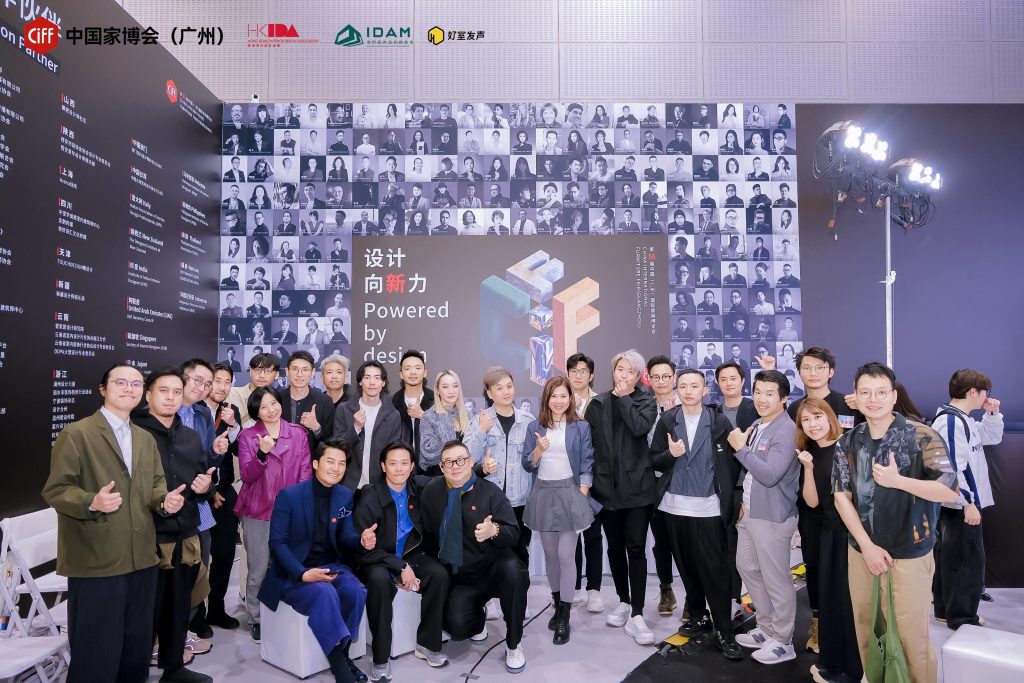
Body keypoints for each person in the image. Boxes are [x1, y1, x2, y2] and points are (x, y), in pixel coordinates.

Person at [42, 364, 188, 683]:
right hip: (98, 559)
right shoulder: (77, 434)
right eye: (120, 382)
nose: (128, 389)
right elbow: (56, 490)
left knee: (135, 651)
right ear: (103, 389)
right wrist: (91, 501)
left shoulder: (143, 438)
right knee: (96, 652)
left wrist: (164, 501)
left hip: (143, 558)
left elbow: (155, 486)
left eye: (136, 384)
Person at [833, 362, 958, 683]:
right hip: (862, 552)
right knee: (866, 628)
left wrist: (898, 481)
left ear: (893, 396)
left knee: (910, 636)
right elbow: (841, 497)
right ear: (855, 396)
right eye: (865, 393)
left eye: (881, 392)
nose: (873, 399)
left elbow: (949, 489)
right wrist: (867, 547)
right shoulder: (847, 442)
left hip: (910, 551)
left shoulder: (921, 435)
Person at [649, 368, 745, 660]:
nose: (688, 391)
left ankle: (725, 630)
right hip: (674, 506)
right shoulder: (668, 420)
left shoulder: (718, 422)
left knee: (714, 571)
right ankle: (700, 616)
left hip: (708, 509)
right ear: (677, 390)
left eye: (694, 386)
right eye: (683, 386)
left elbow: (733, 463)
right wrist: (671, 454)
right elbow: (654, 459)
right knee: (687, 567)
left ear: (705, 390)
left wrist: (730, 496)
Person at [130, 368, 216, 683]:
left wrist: (206, 487)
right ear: (148, 394)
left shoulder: (190, 435)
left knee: (178, 607)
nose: (170, 397)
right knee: (143, 612)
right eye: (163, 391)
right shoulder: (133, 433)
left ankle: (173, 667)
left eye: (176, 392)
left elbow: (202, 477)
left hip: (185, 533)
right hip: (147, 536)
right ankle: (134, 671)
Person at [259, 438, 367, 683]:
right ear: (316, 463)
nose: (336, 468)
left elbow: (346, 535)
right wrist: (302, 573)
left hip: (330, 567)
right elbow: (277, 543)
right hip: (293, 573)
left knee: (356, 590)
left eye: (341, 463)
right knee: (324, 593)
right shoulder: (289, 495)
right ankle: (340, 667)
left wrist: (361, 540)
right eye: (330, 461)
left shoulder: (344, 495)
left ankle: (343, 653)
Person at [420, 441, 529, 672]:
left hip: (495, 568)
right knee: (457, 627)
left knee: (514, 572)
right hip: (463, 576)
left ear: (470, 462)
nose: (455, 466)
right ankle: (479, 615)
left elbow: (514, 533)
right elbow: (428, 535)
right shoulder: (432, 492)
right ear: (441, 467)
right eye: (449, 462)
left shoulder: (490, 492)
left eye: (461, 460)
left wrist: (494, 530)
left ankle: (514, 643)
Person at [355, 442, 451, 680]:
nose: (399, 469)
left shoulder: (418, 488)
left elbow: (450, 477)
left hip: (410, 553)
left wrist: (481, 470)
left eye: (404, 463)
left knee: (438, 574)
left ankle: (427, 644)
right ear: (383, 466)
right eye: (393, 463)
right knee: (379, 581)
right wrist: (400, 567)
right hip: (378, 558)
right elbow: (363, 548)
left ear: (412, 466)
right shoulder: (370, 496)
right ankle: (380, 658)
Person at [584, 350, 658, 645]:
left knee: (636, 548)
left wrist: (625, 397)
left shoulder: (645, 400)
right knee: (614, 548)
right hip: (605, 490)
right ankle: (624, 601)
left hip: (638, 491)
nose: (624, 375)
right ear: (613, 370)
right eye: (620, 369)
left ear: (638, 376)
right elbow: (588, 446)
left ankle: (638, 614)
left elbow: (639, 428)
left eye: (630, 371)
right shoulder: (598, 403)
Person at [727, 369, 800, 664]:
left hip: (773, 516)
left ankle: (783, 640)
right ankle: (766, 627)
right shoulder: (759, 423)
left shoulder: (787, 430)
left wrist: (740, 449)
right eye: (758, 392)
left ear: (784, 398)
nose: (761, 399)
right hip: (751, 511)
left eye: (770, 394)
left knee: (776, 578)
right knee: (747, 567)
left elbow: (770, 475)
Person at [521, 377, 596, 644]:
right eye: (554, 396)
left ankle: (565, 616)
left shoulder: (581, 426)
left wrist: (582, 495)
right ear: (546, 398)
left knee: (566, 555)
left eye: (563, 395)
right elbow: (527, 464)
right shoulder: (534, 426)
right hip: (543, 493)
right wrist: (538, 450)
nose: (559, 401)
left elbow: (587, 462)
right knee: (551, 556)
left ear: (570, 398)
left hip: (570, 492)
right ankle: (557, 604)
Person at [235, 386, 313, 641]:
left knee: (286, 565)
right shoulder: (248, 436)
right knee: (258, 568)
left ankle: (281, 613)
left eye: (274, 403)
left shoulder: (297, 433)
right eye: (263, 406)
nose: (271, 410)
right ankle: (257, 618)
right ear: (256, 412)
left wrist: (299, 507)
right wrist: (262, 452)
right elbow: (247, 475)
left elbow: (305, 473)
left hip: (290, 512)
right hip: (258, 510)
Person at [795, 399, 864, 683]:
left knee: (849, 602)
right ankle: (834, 663)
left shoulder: (849, 446)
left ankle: (856, 667)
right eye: (806, 420)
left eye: (817, 417)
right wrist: (808, 468)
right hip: (827, 534)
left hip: (851, 535)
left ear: (830, 417)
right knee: (830, 600)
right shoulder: (810, 454)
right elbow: (811, 502)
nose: (813, 424)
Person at [931, 369, 1004, 631]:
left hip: (960, 503)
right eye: (985, 392)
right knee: (967, 561)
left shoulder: (962, 419)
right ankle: (962, 617)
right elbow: (952, 468)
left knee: (953, 559)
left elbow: (991, 438)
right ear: (973, 392)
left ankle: (947, 611)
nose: (987, 397)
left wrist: (992, 414)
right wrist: (968, 503)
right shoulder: (950, 421)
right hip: (960, 505)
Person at [464, 367, 535, 567]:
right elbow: (466, 457)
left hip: (521, 501)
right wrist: (481, 431)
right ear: (489, 393)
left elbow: (534, 462)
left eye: (509, 386)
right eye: (499, 388)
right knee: (490, 555)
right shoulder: (479, 420)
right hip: (490, 501)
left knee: (520, 552)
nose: (506, 392)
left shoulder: (528, 421)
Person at [643, 356, 681, 618]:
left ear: (674, 377)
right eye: (655, 377)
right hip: (653, 482)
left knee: (685, 542)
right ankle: (666, 588)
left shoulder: (687, 402)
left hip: (681, 481)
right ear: (649, 379)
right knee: (661, 541)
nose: (661, 381)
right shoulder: (644, 406)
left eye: (666, 376)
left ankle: (694, 596)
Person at [333, 361, 403, 491]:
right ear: (360, 382)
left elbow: (393, 454)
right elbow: (337, 449)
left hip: (379, 486)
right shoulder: (344, 409)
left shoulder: (393, 415)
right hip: (348, 484)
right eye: (367, 377)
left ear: (383, 383)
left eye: (377, 378)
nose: (372, 382)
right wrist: (356, 428)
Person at [392, 350, 435, 460]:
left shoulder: (436, 401)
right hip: (401, 465)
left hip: (432, 466)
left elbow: (446, 433)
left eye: (417, 368)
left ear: (425, 372)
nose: (413, 372)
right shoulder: (392, 403)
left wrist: (423, 415)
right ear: (401, 375)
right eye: (407, 369)